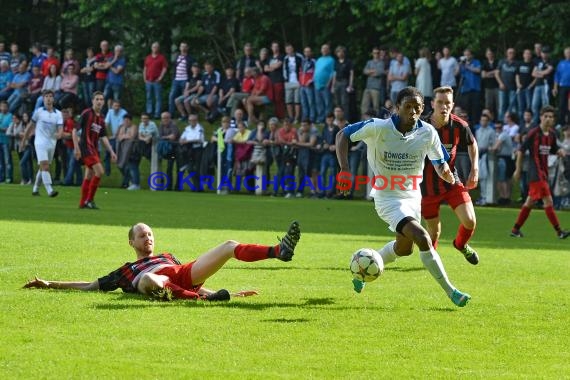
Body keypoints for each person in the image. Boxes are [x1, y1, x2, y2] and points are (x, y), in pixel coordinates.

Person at [336, 86, 471, 307]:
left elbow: (440, 164)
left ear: (422, 108)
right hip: (387, 197)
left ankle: (364, 268)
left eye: (416, 107)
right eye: (407, 106)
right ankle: (452, 291)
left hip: (412, 198)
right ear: (397, 107)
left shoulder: (427, 132)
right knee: (422, 237)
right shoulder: (378, 127)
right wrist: (344, 168)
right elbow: (343, 135)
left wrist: (448, 175)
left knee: (404, 249)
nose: (412, 111)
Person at [24, 221, 301, 302]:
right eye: (142, 236)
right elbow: (89, 286)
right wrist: (50, 284)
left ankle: (278, 250)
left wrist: (228, 293)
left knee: (229, 245)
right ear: (131, 242)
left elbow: (191, 283)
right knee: (147, 280)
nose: (148, 239)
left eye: (150, 235)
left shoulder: (167, 256)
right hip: (155, 282)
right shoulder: (126, 270)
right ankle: (202, 304)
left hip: (181, 274)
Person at [421, 87, 479, 265]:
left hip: (451, 181)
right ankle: (433, 261)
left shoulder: (459, 125)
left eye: (447, 103)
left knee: (470, 221)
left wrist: (474, 168)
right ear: (432, 104)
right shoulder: (421, 126)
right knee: (434, 231)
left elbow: (472, 143)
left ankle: (461, 245)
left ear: (452, 105)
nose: (443, 106)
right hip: (427, 187)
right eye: (440, 102)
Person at [511, 106, 569, 239]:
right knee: (548, 201)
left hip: (544, 172)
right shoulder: (534, 133)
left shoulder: (552, 134)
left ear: (553, 120)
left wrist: (559, 152)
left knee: (529, 202)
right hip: (535, 173)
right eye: (546, 116)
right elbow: (521, 150)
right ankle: (559, 232)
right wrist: (518, 169)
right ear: (541, 117)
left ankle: (515, 230)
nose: (548, 119)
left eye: (551, 117)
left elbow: (553, 149)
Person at [73, 91, 117, 209]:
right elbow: (74, 130)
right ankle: (90, 200)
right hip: (86, 148)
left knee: (88, 175)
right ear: (92, 101)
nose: (99, 101)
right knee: (100, 171)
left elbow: (103, 137)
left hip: (94, 149)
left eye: (101, 99)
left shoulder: (101, 118)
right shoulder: (87, 113)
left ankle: (83, 203)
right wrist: (76, 148)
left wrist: (111, 151)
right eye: (97, 99)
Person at [21, 90, 62, 197]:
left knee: (43, 167)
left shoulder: (58, 114)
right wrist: (23, 141)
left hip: (52, 143)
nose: (48, 98)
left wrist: (59, 134)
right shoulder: (38, 112)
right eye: (46, 96)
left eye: (50, 96)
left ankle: (35, 189)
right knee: (45, 166)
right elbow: (30, 126)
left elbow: (60, 128)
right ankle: (50, 190)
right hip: (40, 142)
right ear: (43, 99)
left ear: (53, 99)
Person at [143, 42, 168, 119]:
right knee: (149, 98)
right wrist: (144, 78)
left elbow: (164, 68)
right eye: (153, 47)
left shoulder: (162, 58)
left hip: (157, 81)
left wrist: (161, 77)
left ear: (158, 48)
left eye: (156, 47)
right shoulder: (148, 57)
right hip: (148, 81)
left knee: (158, 98)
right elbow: (145, 68)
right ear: (151, 48)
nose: (155, 48)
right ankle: (149, 113)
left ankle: (157, 114)